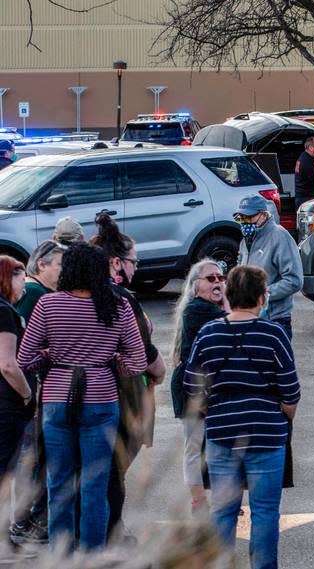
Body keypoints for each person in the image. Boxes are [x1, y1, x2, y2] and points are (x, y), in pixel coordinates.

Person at [18, 243, 147, 551]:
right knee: (95, 485)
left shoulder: (48, 306)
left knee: (58, 483)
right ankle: (92, 554)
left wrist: (50, 358)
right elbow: (138, 361)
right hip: (101, 398)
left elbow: (25, 358)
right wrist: (112, 361)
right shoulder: (117, 306)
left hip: (57, 398)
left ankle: (60, 554)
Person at [185, 265, 300, 569]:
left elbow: (191, 386)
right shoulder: (273, 334)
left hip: (222, 432)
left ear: (230, 295)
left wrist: (214, 409)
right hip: (266, 432)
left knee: (222, 511)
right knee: (264, 512)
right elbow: (290, 391)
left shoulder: (209, 333)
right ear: (262, 298)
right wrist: (283, 414)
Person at [90, 213, 165, 539]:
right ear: (116, 263)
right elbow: (144, 351)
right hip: (123, 394)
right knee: (113, 471)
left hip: (93, 394)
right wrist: (159, 372)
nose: (137, 267)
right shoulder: (121, 300)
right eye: (134, 261)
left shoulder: (77, 296)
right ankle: (112, 531)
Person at [10, 241, 64, 546]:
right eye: (59, 264)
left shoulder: (42, 293)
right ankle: (26, 521)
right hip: (33, 390)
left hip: (39, 390)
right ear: (41, 265)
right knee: (33, 460)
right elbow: (25, 347)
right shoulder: (34, 294)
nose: (64, 271)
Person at [170, 260, 228, 515]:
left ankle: (219, 497)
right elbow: (231, 322)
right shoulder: (198, 309)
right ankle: (198, 501)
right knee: (195, 445)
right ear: (195, 287)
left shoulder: (207, 308)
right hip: (191, 385)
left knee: (214, 445)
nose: (218, 282)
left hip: (210, 386)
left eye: (221, 278)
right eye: (211, 278)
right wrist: (227, 300)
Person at [234, 195, 302, 338]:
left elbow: (294, 280)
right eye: (241, 218)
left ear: (264, 215)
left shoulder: (280, 237)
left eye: (249, 217)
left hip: (274, 321)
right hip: (248, 320)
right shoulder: (245, 241)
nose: (244, 222)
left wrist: (261, 294)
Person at [0, 257, 33, 483]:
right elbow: (7, 364)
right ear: (8, 278)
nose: (25, 285)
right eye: (23, 279)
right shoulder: (4, 312)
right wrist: (27, 394)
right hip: (6, 407)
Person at [293, 136, 314, 208]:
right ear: (311, 148)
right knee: (312, 219)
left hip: (302, 198)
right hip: (307, 200)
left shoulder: (304, 157)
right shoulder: (307, 161)